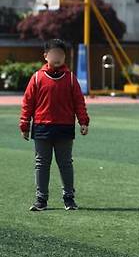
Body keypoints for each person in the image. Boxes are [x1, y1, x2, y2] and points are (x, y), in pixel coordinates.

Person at [19, 39, 89, 211]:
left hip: (64, 127)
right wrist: (24, 124)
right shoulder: (37, 78)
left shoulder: (71, 79)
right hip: (42, 127)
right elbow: (28, 103)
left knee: (65, 163)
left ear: (65, 57)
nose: (57, 57)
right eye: (53, 54)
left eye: (61, 54)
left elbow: (79, 102)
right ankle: (41, 199)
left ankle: (69, 198)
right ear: (45, 56)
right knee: (41, 163)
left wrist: (83, 121)